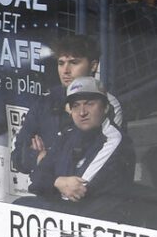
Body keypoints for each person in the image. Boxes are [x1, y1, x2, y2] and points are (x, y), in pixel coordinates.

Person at [11, 33, 125, 179]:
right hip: (47, 193)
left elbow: (94, 162)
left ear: (93, 66)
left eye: (74, 62)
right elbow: (17, 157)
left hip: (86, 194)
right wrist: (38, 158)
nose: (65, 70)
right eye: (61, 63)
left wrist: (44, 159)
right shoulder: (44, 102)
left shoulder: (107, 104)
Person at [20, 77, 135, 220]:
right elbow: (36, 180)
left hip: (97, 221)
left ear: (105, 108)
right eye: (76, 105)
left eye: (89, 104)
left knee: (22, 206)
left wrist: (51, 182)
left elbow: (77, 190)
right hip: (69, 213)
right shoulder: (69, 134)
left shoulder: (114, 138)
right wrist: (58, 182)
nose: (82, 112)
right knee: (19, 206)